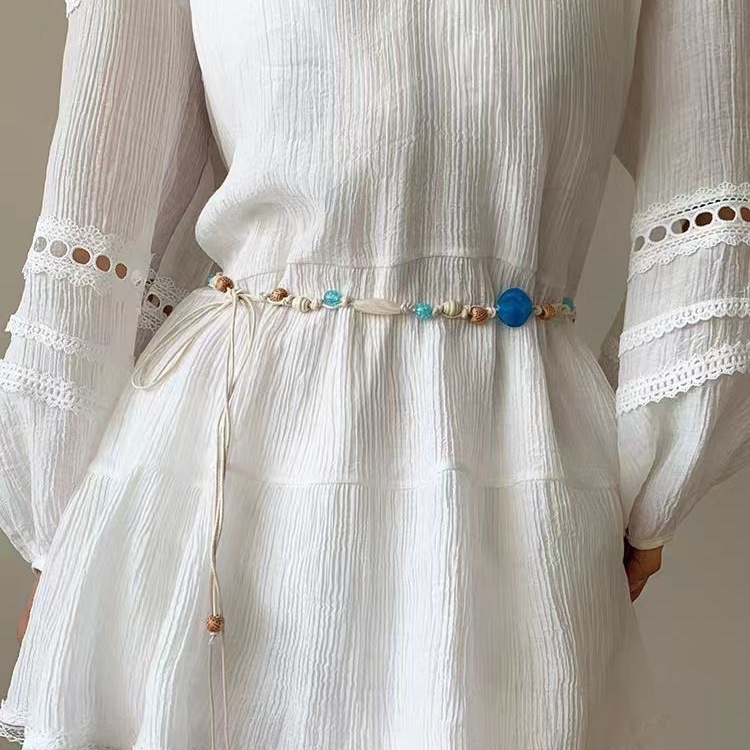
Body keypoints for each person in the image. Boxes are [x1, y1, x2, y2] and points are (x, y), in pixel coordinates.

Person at [0, 1, 748, 748]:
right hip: (240, 474)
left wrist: (58, 510)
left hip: (302, 443)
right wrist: (653, 474)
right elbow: (712, 230)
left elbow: (100, 211)